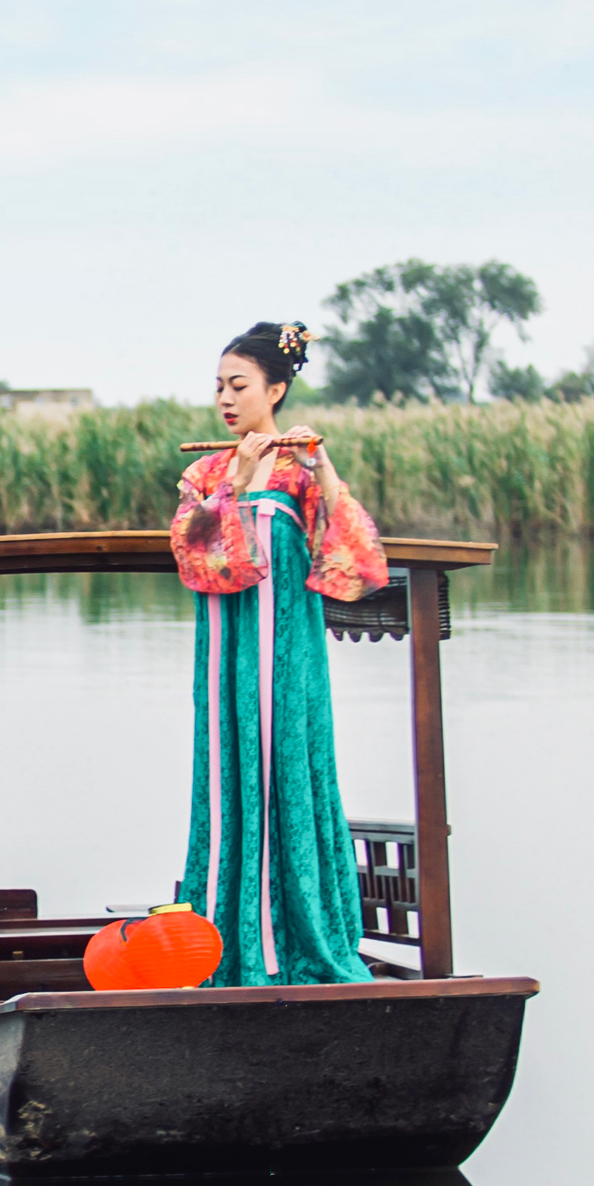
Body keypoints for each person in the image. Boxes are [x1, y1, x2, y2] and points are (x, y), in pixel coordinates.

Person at [171, 323, 387, 987]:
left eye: (239, 386)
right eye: (219, 388)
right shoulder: (206, 470)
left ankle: (301, 940)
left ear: (276, 388)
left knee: (287, 760)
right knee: (228, 765)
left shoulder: (300, 469)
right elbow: (192, 550)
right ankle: (221, 940)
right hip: (227, 645)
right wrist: (231, 484)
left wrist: (326, 469)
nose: (226, 401)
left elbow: (353, 557)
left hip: (287, 648)